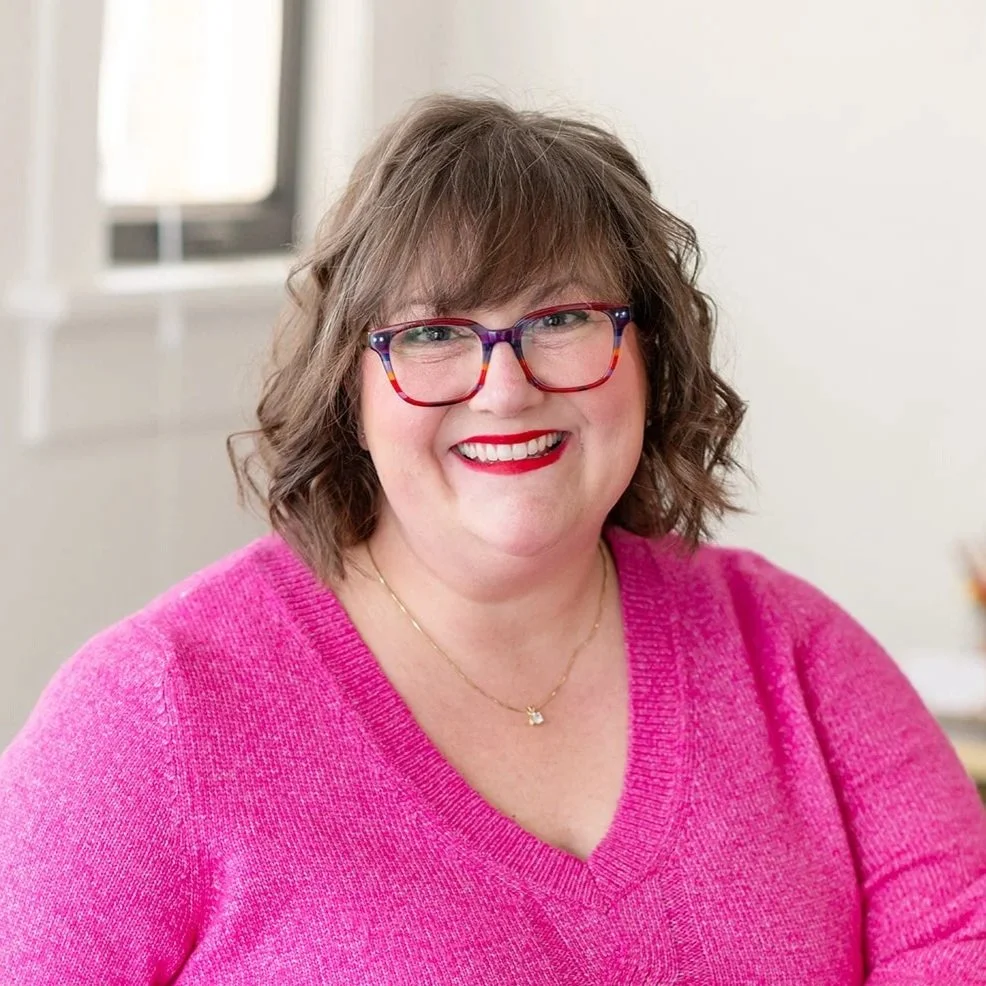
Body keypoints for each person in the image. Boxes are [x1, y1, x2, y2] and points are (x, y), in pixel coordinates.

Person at [1, 93, 984, 985]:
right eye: (431, 333)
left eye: (559, 316)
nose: (503, 386)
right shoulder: (153, 708)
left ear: (648, 353)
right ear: (350, 382)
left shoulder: (797, 656)